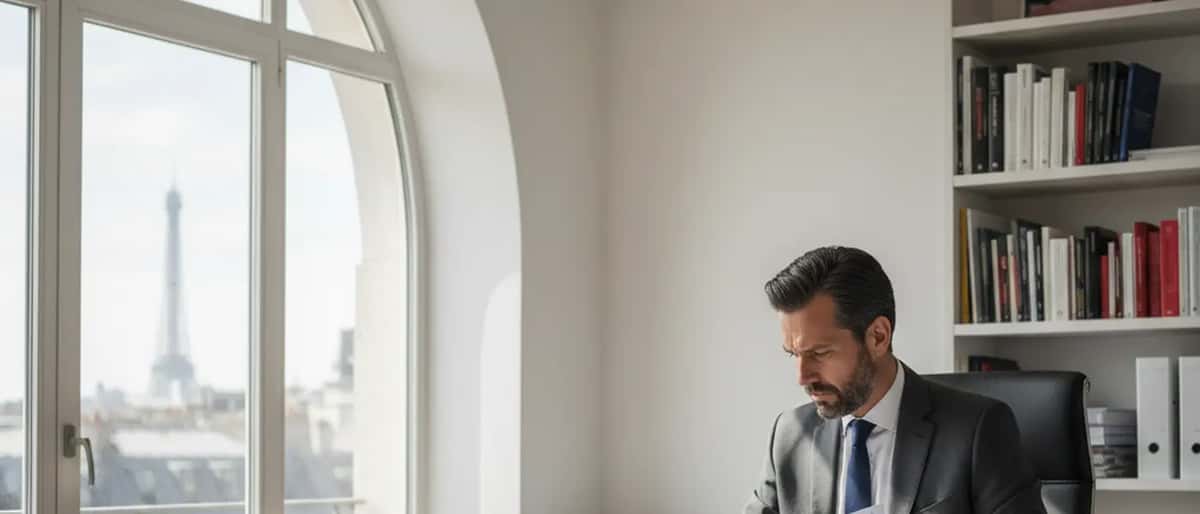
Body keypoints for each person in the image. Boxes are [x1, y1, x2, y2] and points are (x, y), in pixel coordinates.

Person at [743, 246, 1046, 514]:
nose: (802, 377)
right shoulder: (791, 434)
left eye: (820, 353)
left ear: (878, 336)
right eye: (793, 354)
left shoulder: (978, 431)